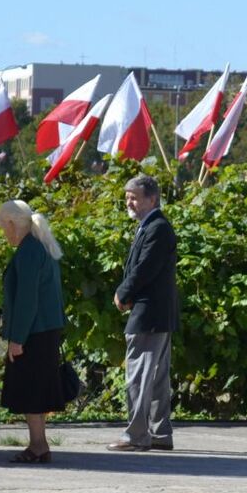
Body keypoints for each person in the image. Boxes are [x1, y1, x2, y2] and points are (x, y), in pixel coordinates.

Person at [108, 174, 179, 452]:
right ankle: (160, 433)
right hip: (156, 312)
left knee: (138, 375)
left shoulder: (157, 228)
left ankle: (136, 435)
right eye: (127, 197)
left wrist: (123, 293)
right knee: (158, 376)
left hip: (149, 313)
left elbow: (145, 268)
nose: (129, 202)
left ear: (152, 199)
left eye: (134, 197)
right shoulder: (151, 226)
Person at [0, 200, 67, 463]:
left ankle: (38, 446)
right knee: (35, 391)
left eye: (4, 228)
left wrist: (17, 339)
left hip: (33, 332)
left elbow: (27, 300)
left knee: (31, 392)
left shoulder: (28, 251)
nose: (4, 234)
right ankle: (39, 444)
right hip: (45, 329)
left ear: (13, 225)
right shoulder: (39, 246)